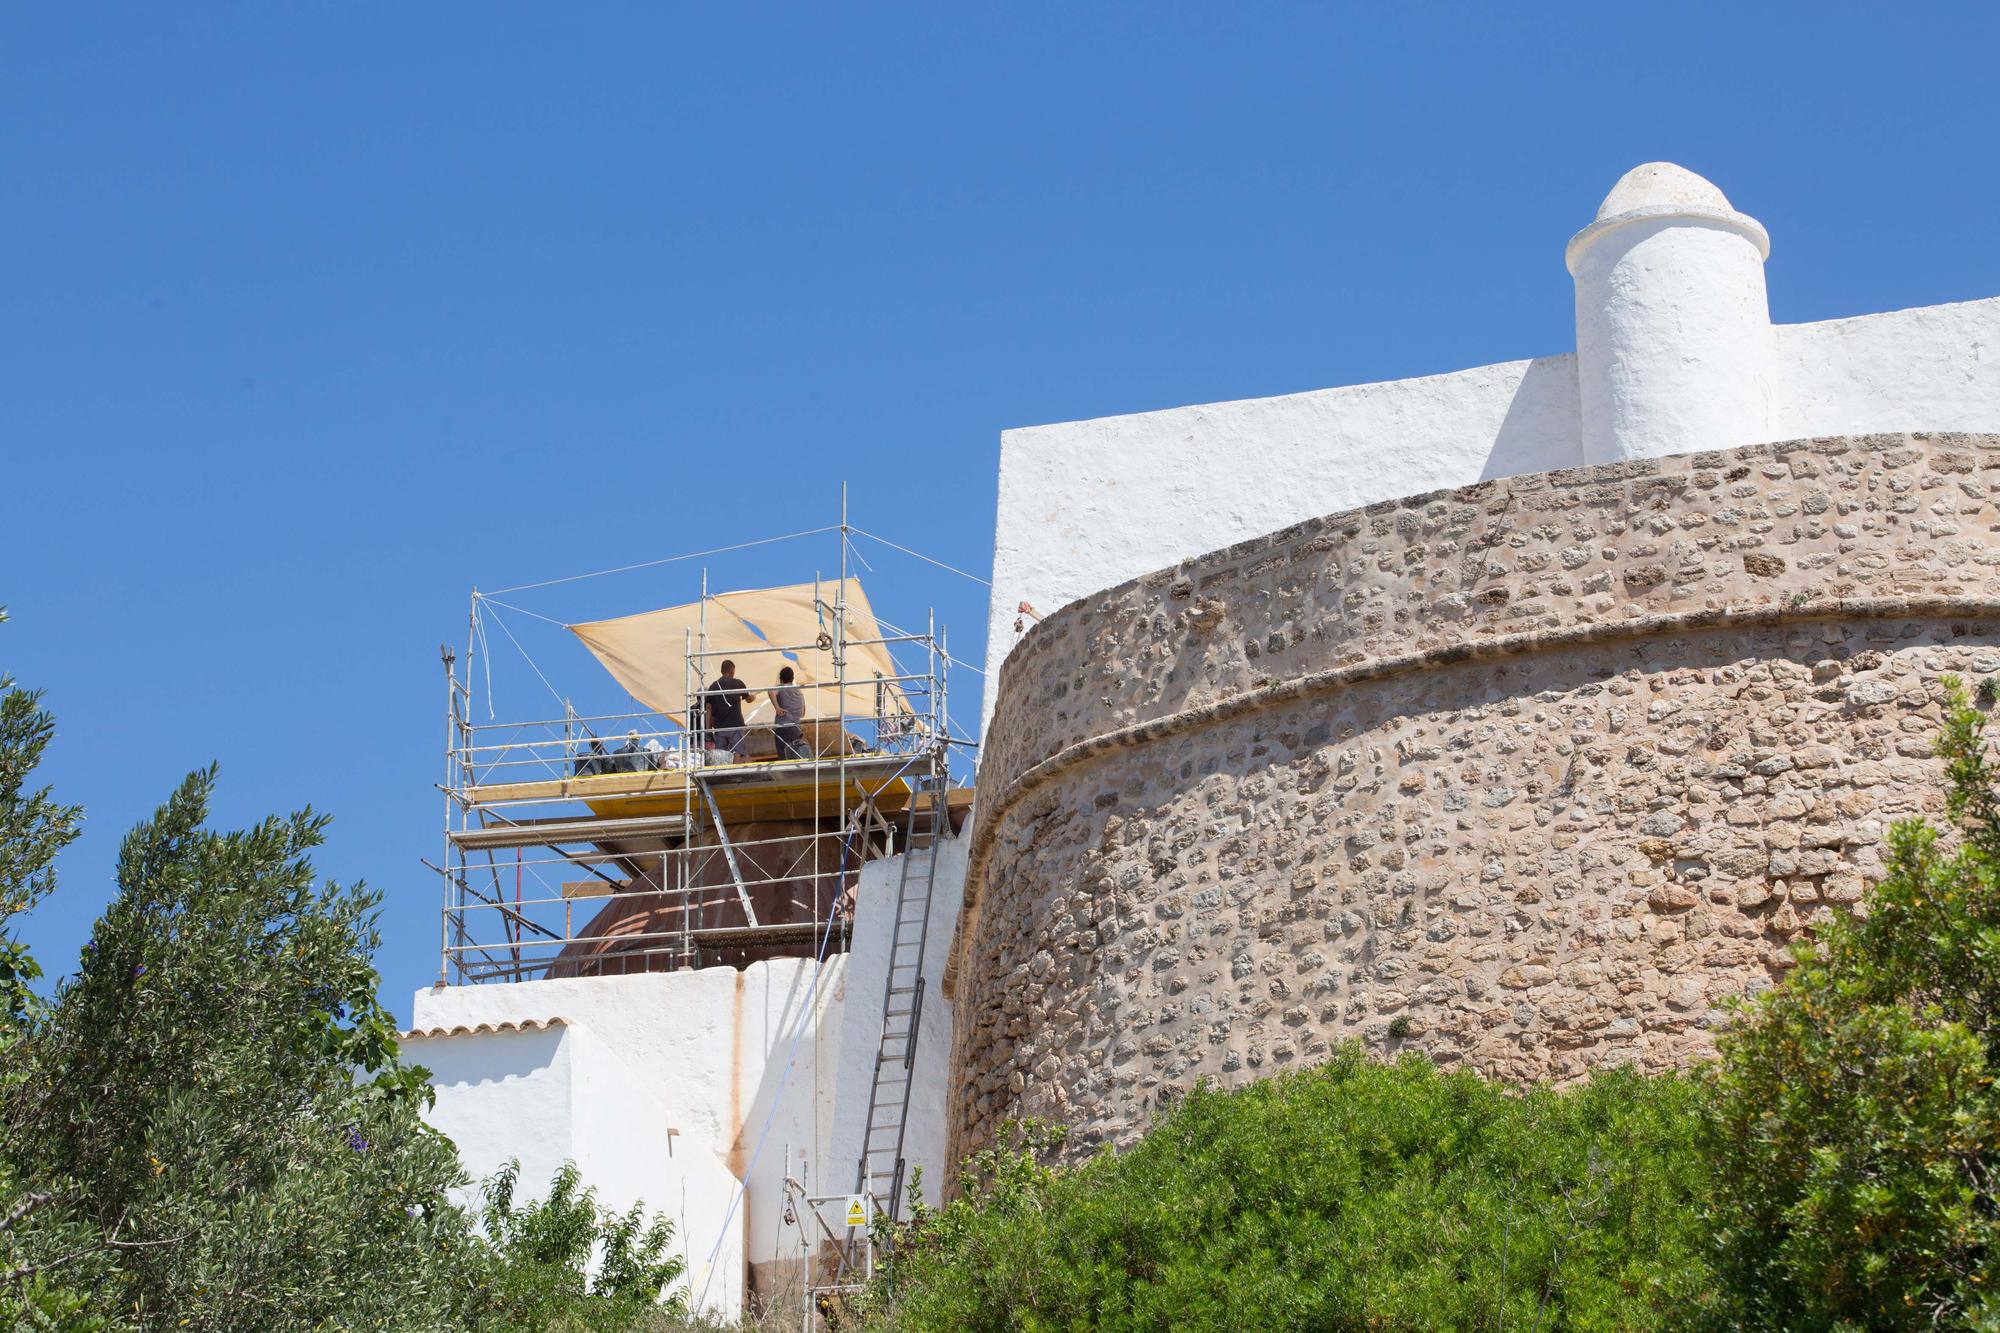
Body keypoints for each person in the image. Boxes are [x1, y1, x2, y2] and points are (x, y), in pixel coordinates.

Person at [700, 660, 755, 760]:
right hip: (735, 724)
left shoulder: (713, 687)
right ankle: (736, 773)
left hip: (720, 727)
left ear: (721, 671)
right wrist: (754, 696)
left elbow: (708, 708)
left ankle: (724, 774)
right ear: (732, 670)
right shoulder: (738, 683)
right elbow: (749, 699)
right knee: (738, 751)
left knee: (722, 754)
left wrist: (708, 729)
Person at [771, 666, 807, 759]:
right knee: (795, 755)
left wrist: (777, 708)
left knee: (783, 756)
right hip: (797, 729)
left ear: (781, 679)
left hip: (783, 726)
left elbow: (771, 691)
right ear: (792, 678)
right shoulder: (799, 692)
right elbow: (803, 713)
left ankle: (786, 772)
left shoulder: (781, 688)